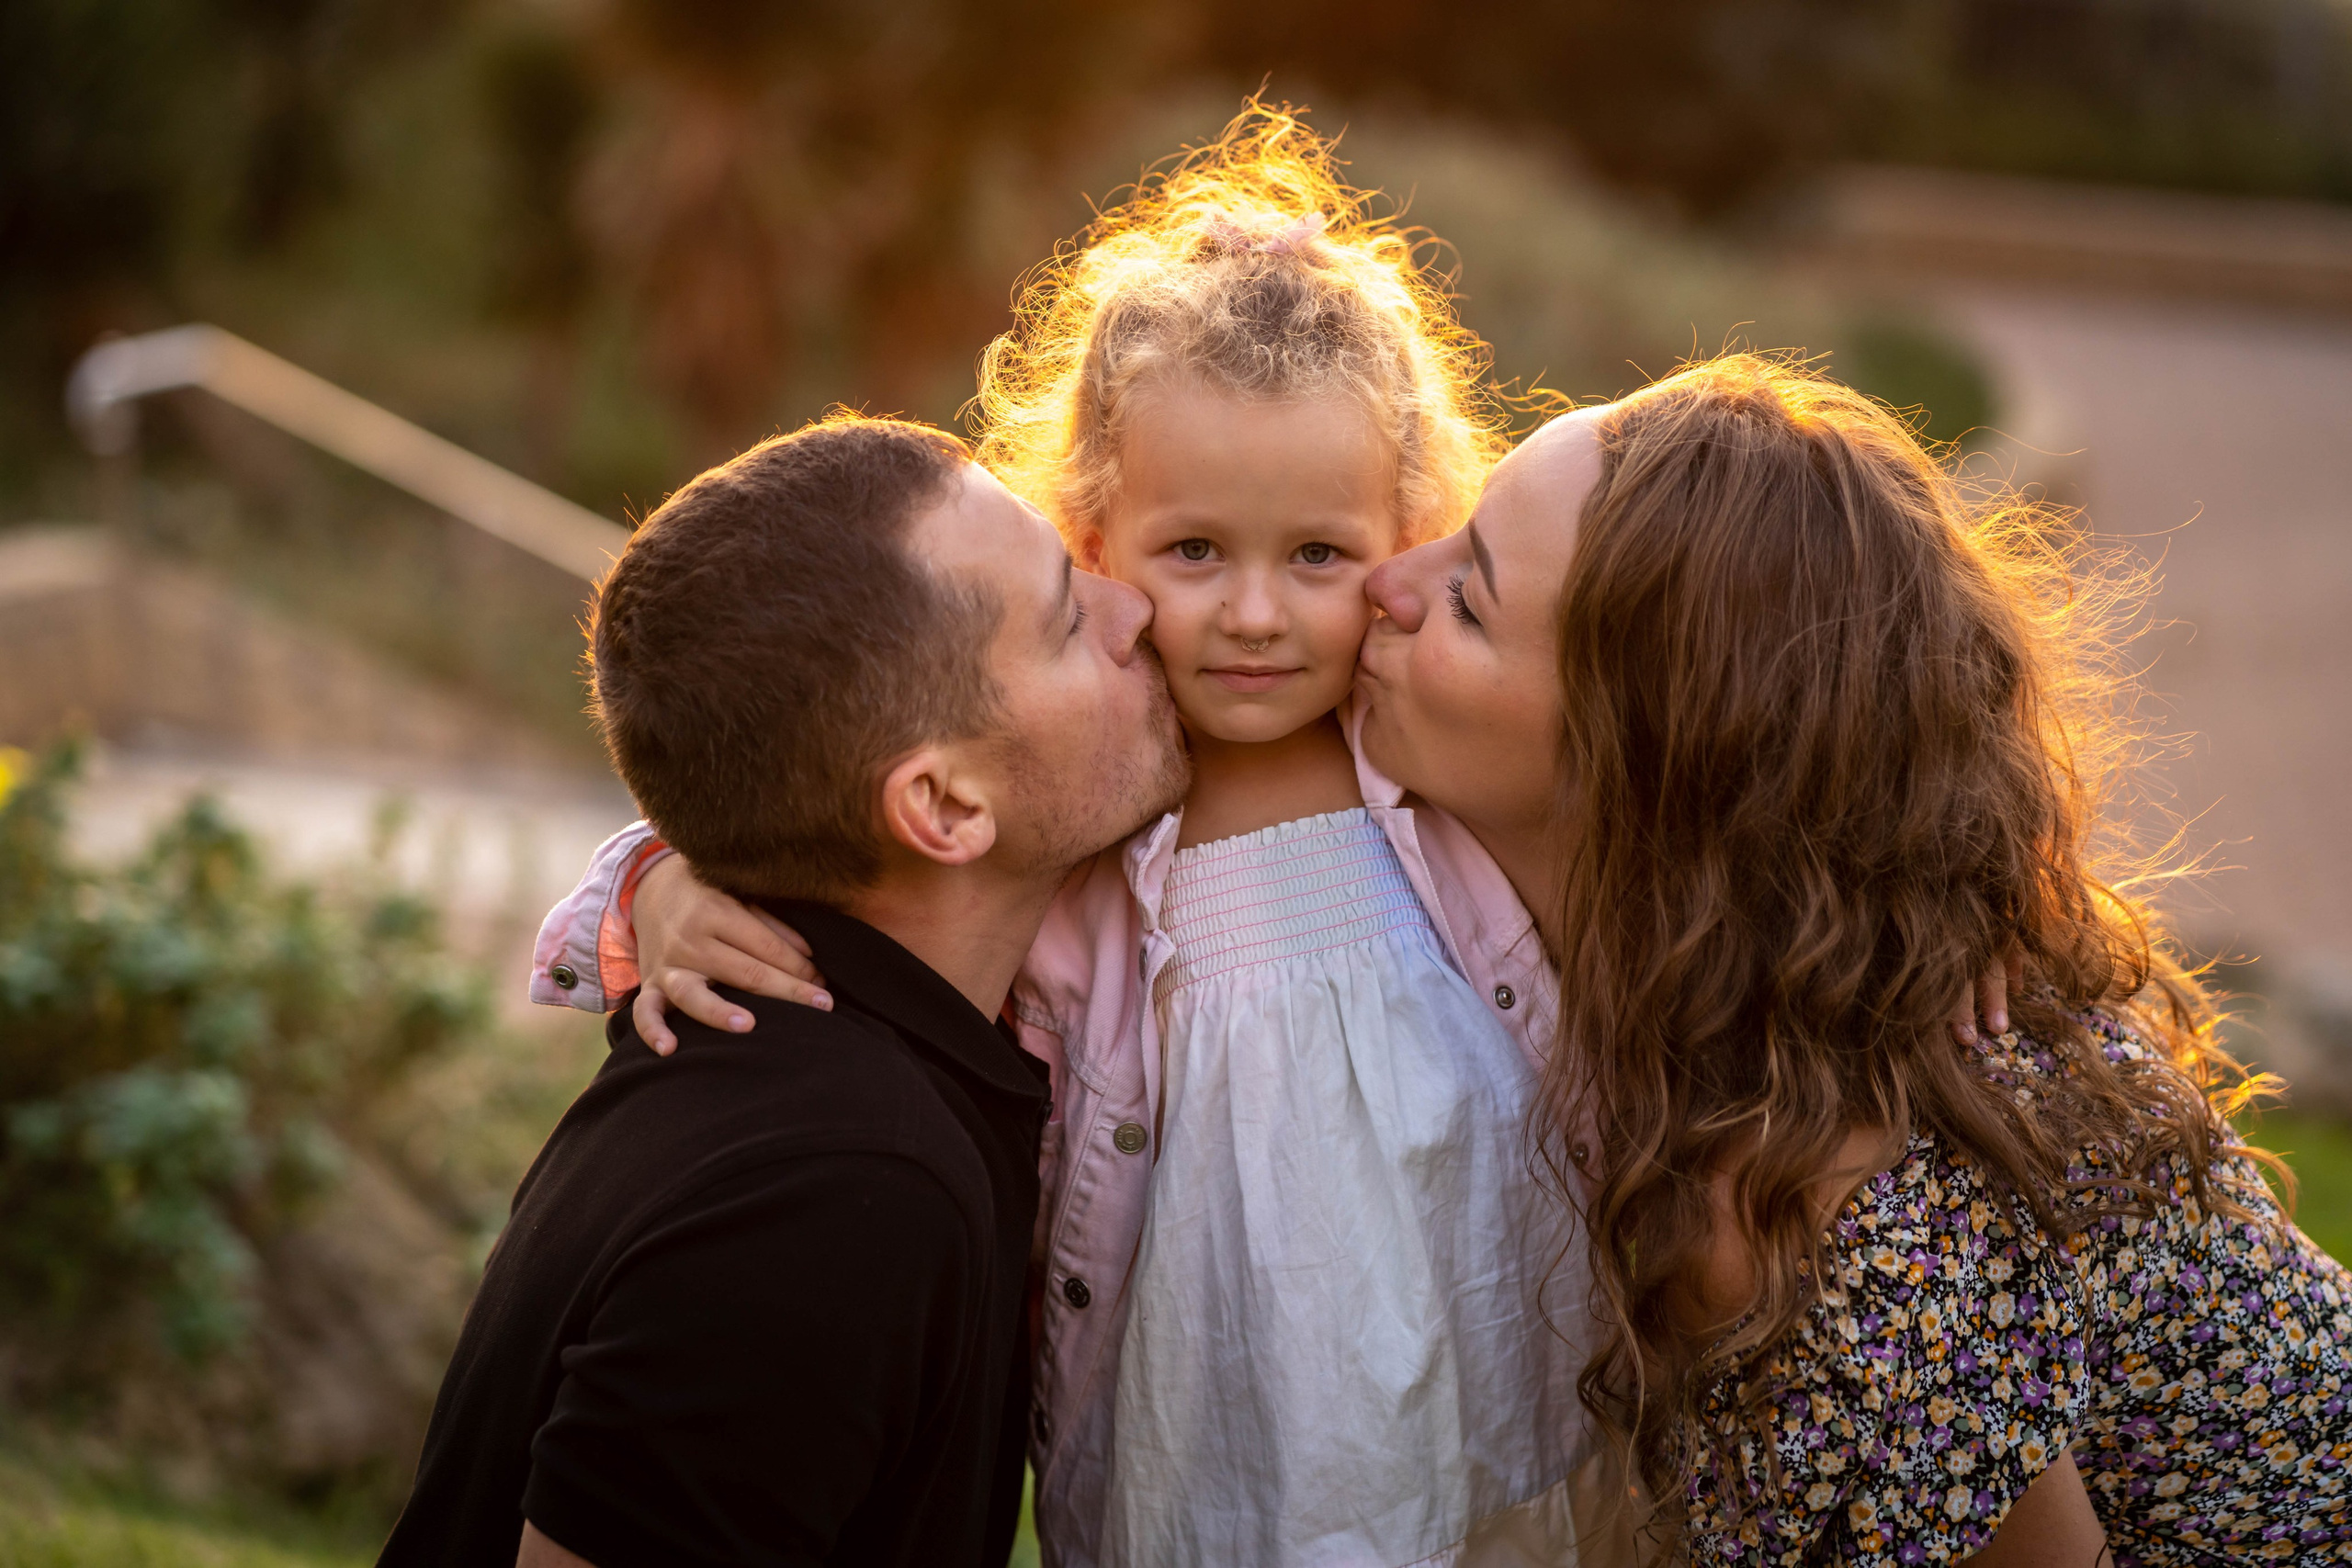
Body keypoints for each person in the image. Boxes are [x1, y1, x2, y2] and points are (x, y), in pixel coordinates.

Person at [532, 108, 1604, 1567]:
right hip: (1192, 1470)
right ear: (1095, 532)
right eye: (1194, 550)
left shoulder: (1435, 769)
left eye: (1318, 555)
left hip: (1496, 1443)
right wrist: (658, 880)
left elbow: (1686, 861)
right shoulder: (1086, 811)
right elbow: (797, 796)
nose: (1254, 614)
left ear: (1406, 532)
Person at [1355, 354, 2352, 1562]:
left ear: (1652, 765)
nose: (1385, 582)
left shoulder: (1825, 1209)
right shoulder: (1797, 998)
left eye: (1468, 600)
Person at [379, 416, 1187, 1568]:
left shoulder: (809, 1073)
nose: (1134, 608)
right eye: (1066, 619)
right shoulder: (835, 1194)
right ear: (944, 807)